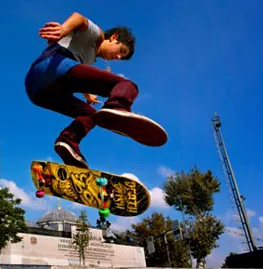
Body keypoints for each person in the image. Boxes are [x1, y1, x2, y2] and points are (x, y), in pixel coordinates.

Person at [25, 12, 161, 169]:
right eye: (121, 51)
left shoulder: (89, 58)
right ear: (114, 37)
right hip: (51, 65)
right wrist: (63, 29)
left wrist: (87, 94)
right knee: (127, 85)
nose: (117, 57)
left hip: (37, 90)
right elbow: (79, 18)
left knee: (90, 115)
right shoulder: (98, 36)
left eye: (121, 57)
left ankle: (68, 141)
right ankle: (117, 107)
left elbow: (77, 74)